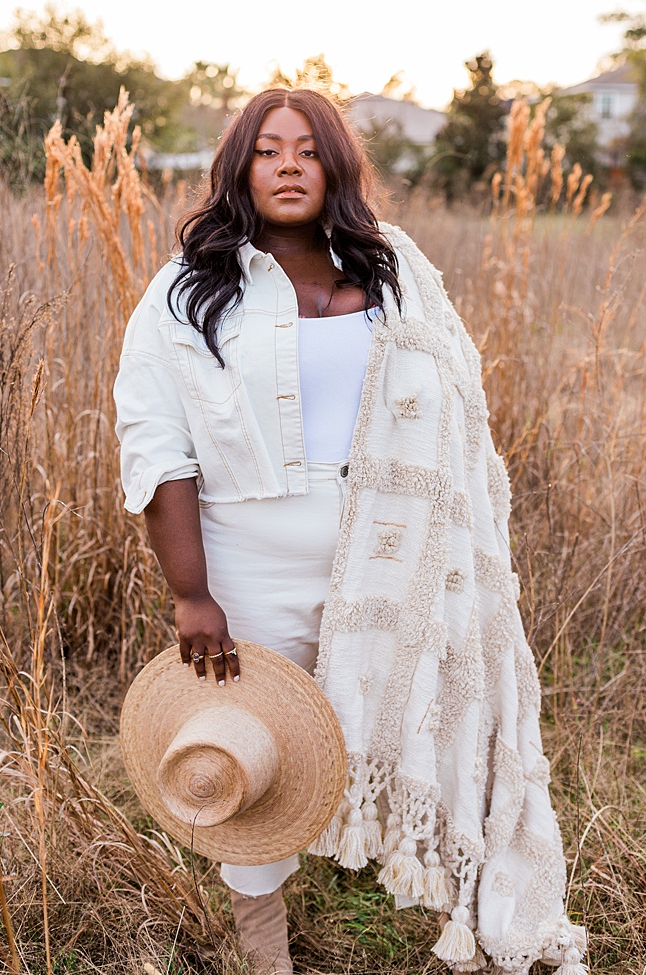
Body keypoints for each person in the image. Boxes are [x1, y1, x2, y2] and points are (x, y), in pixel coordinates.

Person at [114, 89, 587, 975]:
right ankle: (266, 952)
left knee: (433, 715)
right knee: (250, 743)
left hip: (395, 557)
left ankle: (467, 909)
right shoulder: (185, 290)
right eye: (266, 150)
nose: (288, 165)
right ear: (239, 170)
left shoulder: (398, 271)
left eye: (307, 149)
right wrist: (191, 592)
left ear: (336, 164)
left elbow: (457, 418)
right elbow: (155, 444)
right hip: (250, 554)